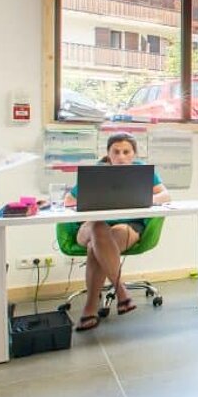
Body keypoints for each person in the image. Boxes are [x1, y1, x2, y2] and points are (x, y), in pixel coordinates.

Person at [64, 132, 169, 332]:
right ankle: (121, 291)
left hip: (126, 228)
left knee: (97, 246)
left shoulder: (142, 172)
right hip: (91, 225)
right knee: (97, 227)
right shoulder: (98, 172)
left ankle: (90, 308)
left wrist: (146, 200)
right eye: (116, 151)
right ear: (108, 153)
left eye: (126, 152)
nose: (121, 156)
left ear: (134, 154)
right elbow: (69, 200)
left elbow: (165, 195)